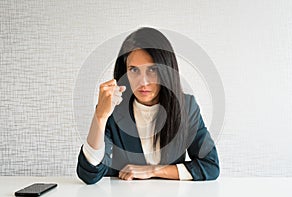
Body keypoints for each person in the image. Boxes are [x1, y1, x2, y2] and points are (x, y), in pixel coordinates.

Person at [76, 27, 219, 184]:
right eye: (134, 70)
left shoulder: (186, 106)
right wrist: (100, 116)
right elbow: (89, 175)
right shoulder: (115, 109)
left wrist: (154, 170)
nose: (143, 82)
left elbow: (210, 165)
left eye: (152, 69)